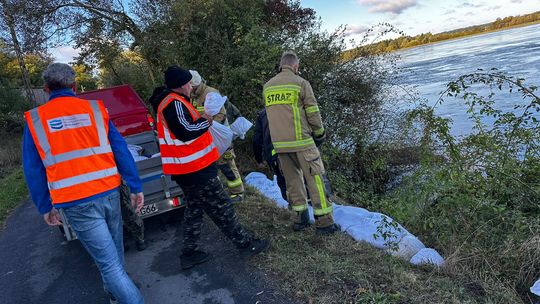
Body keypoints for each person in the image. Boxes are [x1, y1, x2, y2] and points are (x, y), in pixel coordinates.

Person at [22, 63, 144, 304]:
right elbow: (120, 148)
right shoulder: (96, 111)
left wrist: (45, 206)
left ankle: (127, 298)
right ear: (75, 87)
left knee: (108, 263)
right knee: (114, 255)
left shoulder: (36, 120)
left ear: (46, 89)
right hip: (108, 192)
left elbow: (33, 169)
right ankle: (116, 295)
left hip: (75, 201)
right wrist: (134, 185)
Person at [148, 66, 269, 270]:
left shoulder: (171, 102)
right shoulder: (173, 103)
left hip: (188, 169)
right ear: (181, 85)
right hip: (195, 169)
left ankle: (189, 253)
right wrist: (206, 122)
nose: (190, 86)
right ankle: (246, 244)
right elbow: (185, 131)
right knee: (222, 206)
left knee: (195, 210)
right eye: (188, 83)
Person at [263, 51, 340, 234]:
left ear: (281, 65)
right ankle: (325, 223)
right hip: (302, 142)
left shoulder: (268, 86)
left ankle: (300, 219)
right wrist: (320, 133)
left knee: (292, 182)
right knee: (316, 180)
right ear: (296, 66)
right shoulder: (301, 83)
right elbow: (313, 112)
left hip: (280, 145)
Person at [189, 70, 244, 202]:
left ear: (198, 84)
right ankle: (219, 193)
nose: (192, 90)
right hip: (205, 138)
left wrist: (207, 126)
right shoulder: (192, 96)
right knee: (211, 167)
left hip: (220, 138)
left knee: (227, 165)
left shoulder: (210, 93)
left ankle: (238, 193)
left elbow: (221, 114)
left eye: (194, 88)